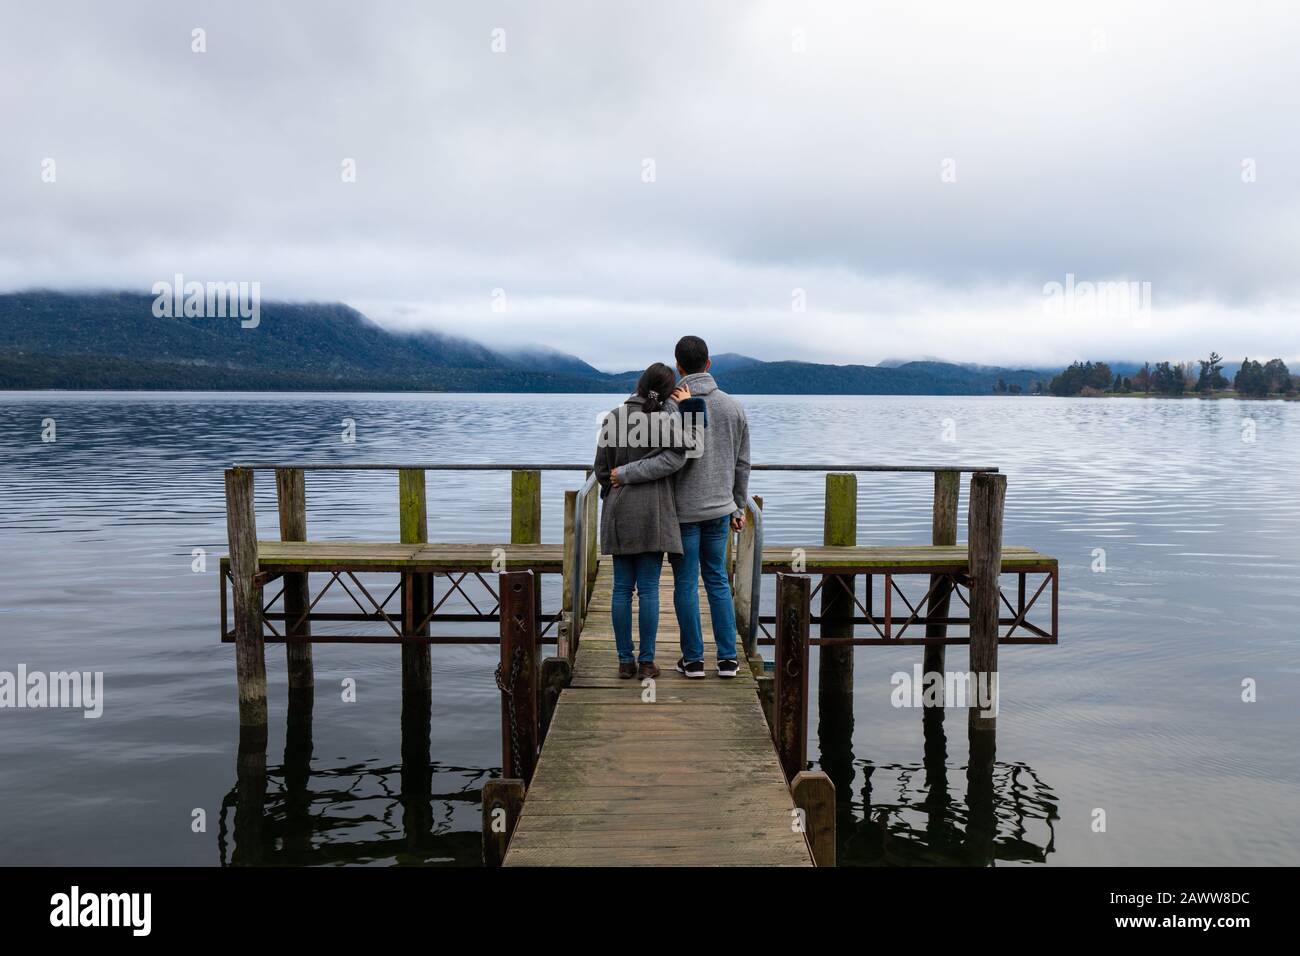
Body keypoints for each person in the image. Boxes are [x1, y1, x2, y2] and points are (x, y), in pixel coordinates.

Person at [614, 336, 750, 678]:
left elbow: (666, 460)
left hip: (683, 513)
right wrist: (738, 506)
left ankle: (693, 660)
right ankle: (728, 659)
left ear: (678, 366)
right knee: (718, 581)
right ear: (709, 363)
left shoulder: (671, 407)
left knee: (686, 584)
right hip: (720, 509)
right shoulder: (734, 407)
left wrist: (624, 474)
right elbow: (742, 464)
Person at [593, 363, 691, 680]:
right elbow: (687, 449)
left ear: (639, 384)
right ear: (667, 391)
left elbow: (601, 470)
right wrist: (679, 406)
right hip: (654, 512)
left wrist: (616, 486)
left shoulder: (613, 418)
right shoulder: (665, 421)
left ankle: (625, 661)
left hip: (620, 512)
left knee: (621, 589)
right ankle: (647, 662)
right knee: (649, 590)